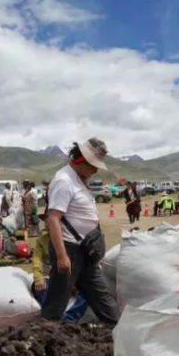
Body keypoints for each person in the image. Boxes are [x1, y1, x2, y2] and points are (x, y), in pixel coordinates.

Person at [41, 138, 119, 324]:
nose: (95, 170)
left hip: (85, 252)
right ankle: (45, 342)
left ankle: (116, 331)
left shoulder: (79, 179)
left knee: (103, 300)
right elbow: (53, 219)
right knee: (56, 304)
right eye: (93, 165)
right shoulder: (64, 181)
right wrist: (61, 256)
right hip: (68, 250)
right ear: (81, 161)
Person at [30, 231, 87, 322]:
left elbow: (79, 263)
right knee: (40, 288)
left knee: (87, 292)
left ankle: (69, 319)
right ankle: (50, 315)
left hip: (69, 278)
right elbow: (37, 261)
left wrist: (74, 282)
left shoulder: (73, 239)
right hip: (49, 278)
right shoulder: (42, 241)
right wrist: (38, 278)